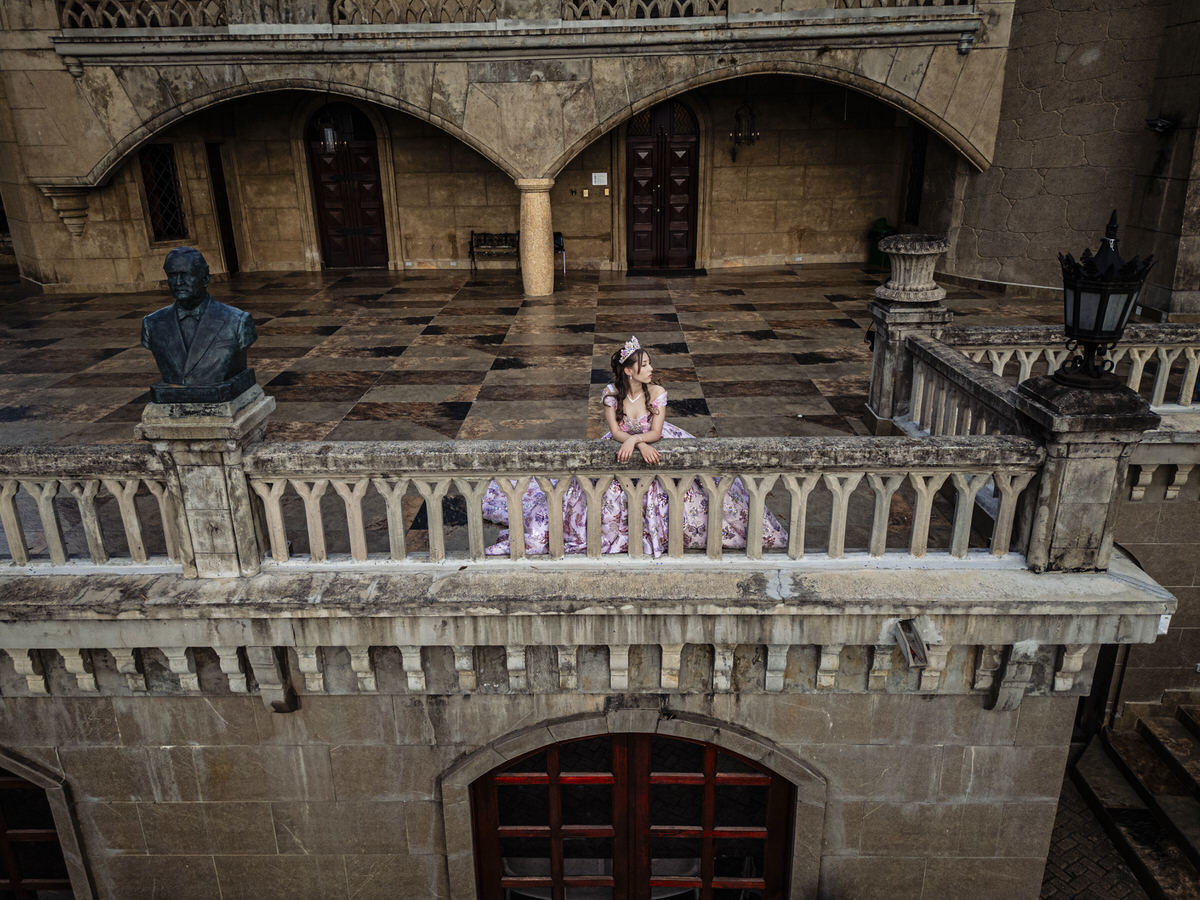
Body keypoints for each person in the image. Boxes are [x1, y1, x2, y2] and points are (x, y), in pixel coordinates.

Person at [480, 336, 788, 557]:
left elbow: (655, 432)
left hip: (657, 443)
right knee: (591, 498)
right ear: (629, 371)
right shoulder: (612, 395)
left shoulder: (657, 393)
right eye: (644, 365)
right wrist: (628, 439)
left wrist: (637, 441)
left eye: (650, 364)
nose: (650, 369)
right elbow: (614, 430)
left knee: (695, 491)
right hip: (621, 446)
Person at [141, 246, 257, 400]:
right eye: (172, 275)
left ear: (205, 278)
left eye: (186, 275)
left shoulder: (237, 321)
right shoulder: (152, 324)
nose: (179, 282)